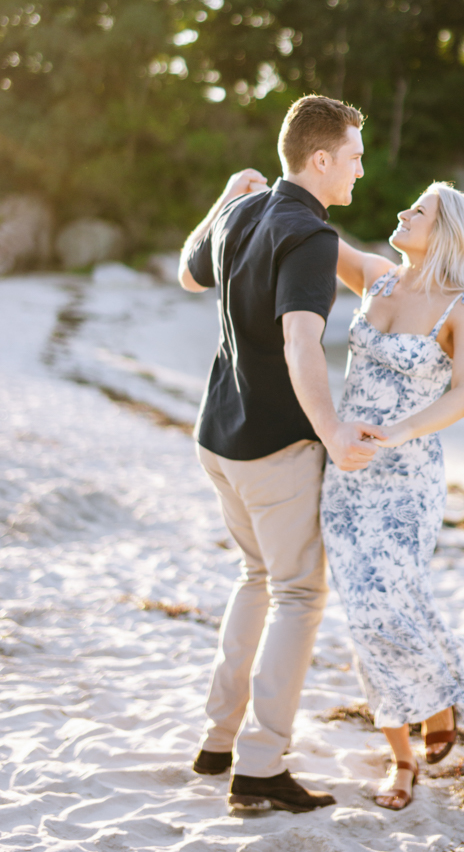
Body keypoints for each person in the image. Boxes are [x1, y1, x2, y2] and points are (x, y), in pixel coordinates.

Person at [178, 95, 383, 814]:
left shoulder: (245, 209)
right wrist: (333, 434)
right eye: (355, 156)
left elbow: (189, 274)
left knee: (255, 577)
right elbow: (303, 343)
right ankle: (260, 763)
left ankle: (216, 740)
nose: (361, 170)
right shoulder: (309, 235)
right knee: (298, 593)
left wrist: (221, 200)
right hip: (274, 448)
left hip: (217, 438)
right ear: (320, 159)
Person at [321, 182, 464, 810]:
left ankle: (429, 713)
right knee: (365, 617)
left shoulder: (461, 306)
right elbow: (314, 232)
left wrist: (400, 432)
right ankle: (404, 753)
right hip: (345, 474)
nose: (404, 212)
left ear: (445, 234)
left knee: (393, 606)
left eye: (420, 210)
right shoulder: (378, 279)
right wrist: (257, 192)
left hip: (407, 479)